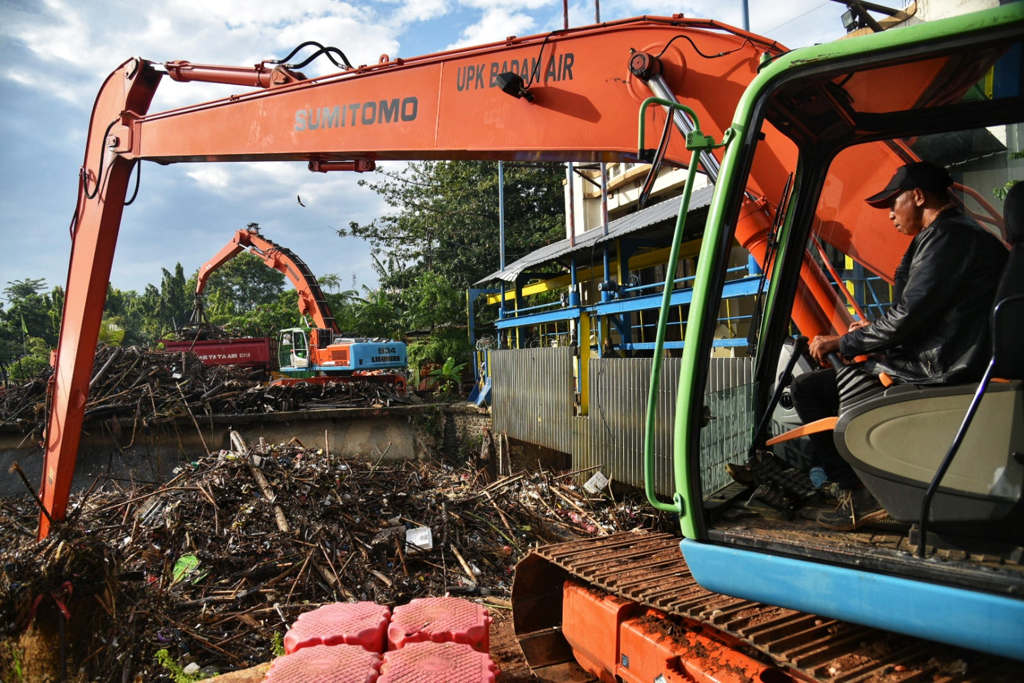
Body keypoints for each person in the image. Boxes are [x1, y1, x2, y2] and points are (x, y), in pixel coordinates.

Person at [791, 161, 1008, 530]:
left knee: (808, 390)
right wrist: (872, 333)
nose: (890, 214)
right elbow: (926, 313)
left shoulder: (948, 239)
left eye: (894, 203)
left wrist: (843, 341)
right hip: (948, 354)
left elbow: (908, 316)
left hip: (941, 367)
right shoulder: (954, 234)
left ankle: (858, 494)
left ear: (918, 196)